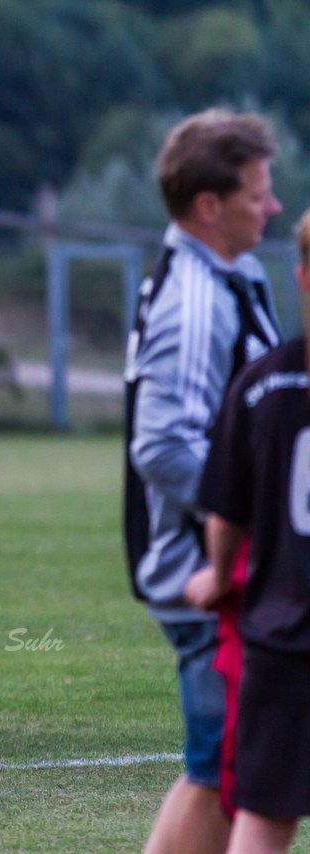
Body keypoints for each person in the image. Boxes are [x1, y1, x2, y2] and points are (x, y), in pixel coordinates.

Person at [123, 110, 282, 854]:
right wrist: (257, 518)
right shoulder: (196, 300)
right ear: (209, 205)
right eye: (257, 193)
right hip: (202, 573)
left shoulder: (230, 277)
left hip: (225, 566)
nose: (273, 206)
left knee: (224, 772)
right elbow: (163, 443)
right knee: (222, 772)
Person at [184, 207, 310, 854]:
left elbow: (226, 515)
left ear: (301, 277)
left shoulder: (263, 383)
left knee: (262, 822)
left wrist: (215, 571)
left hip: (284, 637)